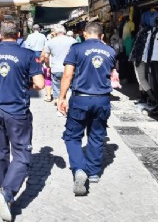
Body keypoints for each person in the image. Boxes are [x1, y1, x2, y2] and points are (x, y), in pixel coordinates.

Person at [0, 21, 44, 221]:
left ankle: (3, 187)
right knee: (21, 152)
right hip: (18, 110)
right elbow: (39, 83)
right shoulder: (28, 55)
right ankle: (7, 193)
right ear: (19, 34)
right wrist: (26, 83)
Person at [58, 22, 118, 196]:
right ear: (102, 36)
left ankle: (79, 169)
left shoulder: (76, 49)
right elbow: (111, 73)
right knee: (97, 136)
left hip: (81, 99)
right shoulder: (111, 51)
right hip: (102, 99)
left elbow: (68, 74)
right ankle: (93, 173)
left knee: (72, 136)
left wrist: (61, 97)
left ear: (84, 34)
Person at [43, 24, 77, 112]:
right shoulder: (73, 41)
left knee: (57, 89)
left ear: (55, 32)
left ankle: (60, 110)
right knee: (69, 88)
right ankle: (68, 107)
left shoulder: (50, 42)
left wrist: (48, 66)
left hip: (56, 69)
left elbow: (46, 57)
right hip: (70, 69)